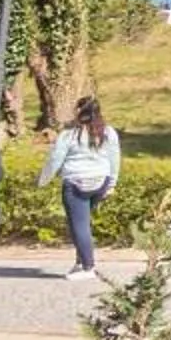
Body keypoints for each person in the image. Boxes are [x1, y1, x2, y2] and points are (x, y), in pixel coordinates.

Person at [38, 95, 120, 280]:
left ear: (78, 111)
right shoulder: (108, 133)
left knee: (79, 225)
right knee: (82, 223)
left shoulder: (69, 134)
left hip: (76, 183)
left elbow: (55, 160)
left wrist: (43, 180)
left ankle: (88, 267)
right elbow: (114, 159)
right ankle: (80, 261)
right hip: (100, 181)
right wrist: (112, 183)